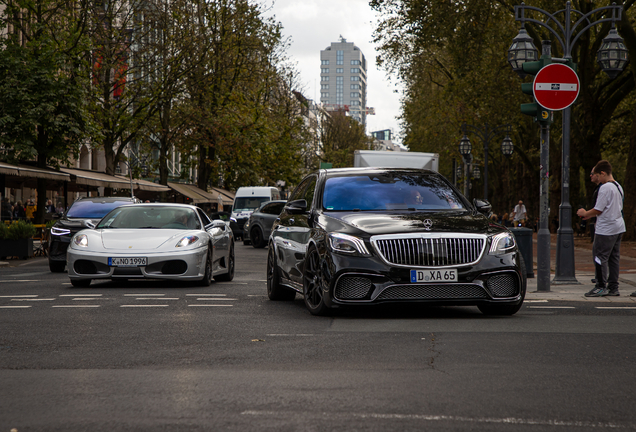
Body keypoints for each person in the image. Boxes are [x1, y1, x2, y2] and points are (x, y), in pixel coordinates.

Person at [576, 160, 625, 297]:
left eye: (597, 174)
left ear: (602, 173)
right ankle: (613, 287)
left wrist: (585, 213)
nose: (596, 177)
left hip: (606, 229)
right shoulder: (618, 186)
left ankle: (600, 286)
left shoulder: (605, 188)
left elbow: (598, 209)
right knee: (614, 258)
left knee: (599, 257)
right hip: (618, 226)